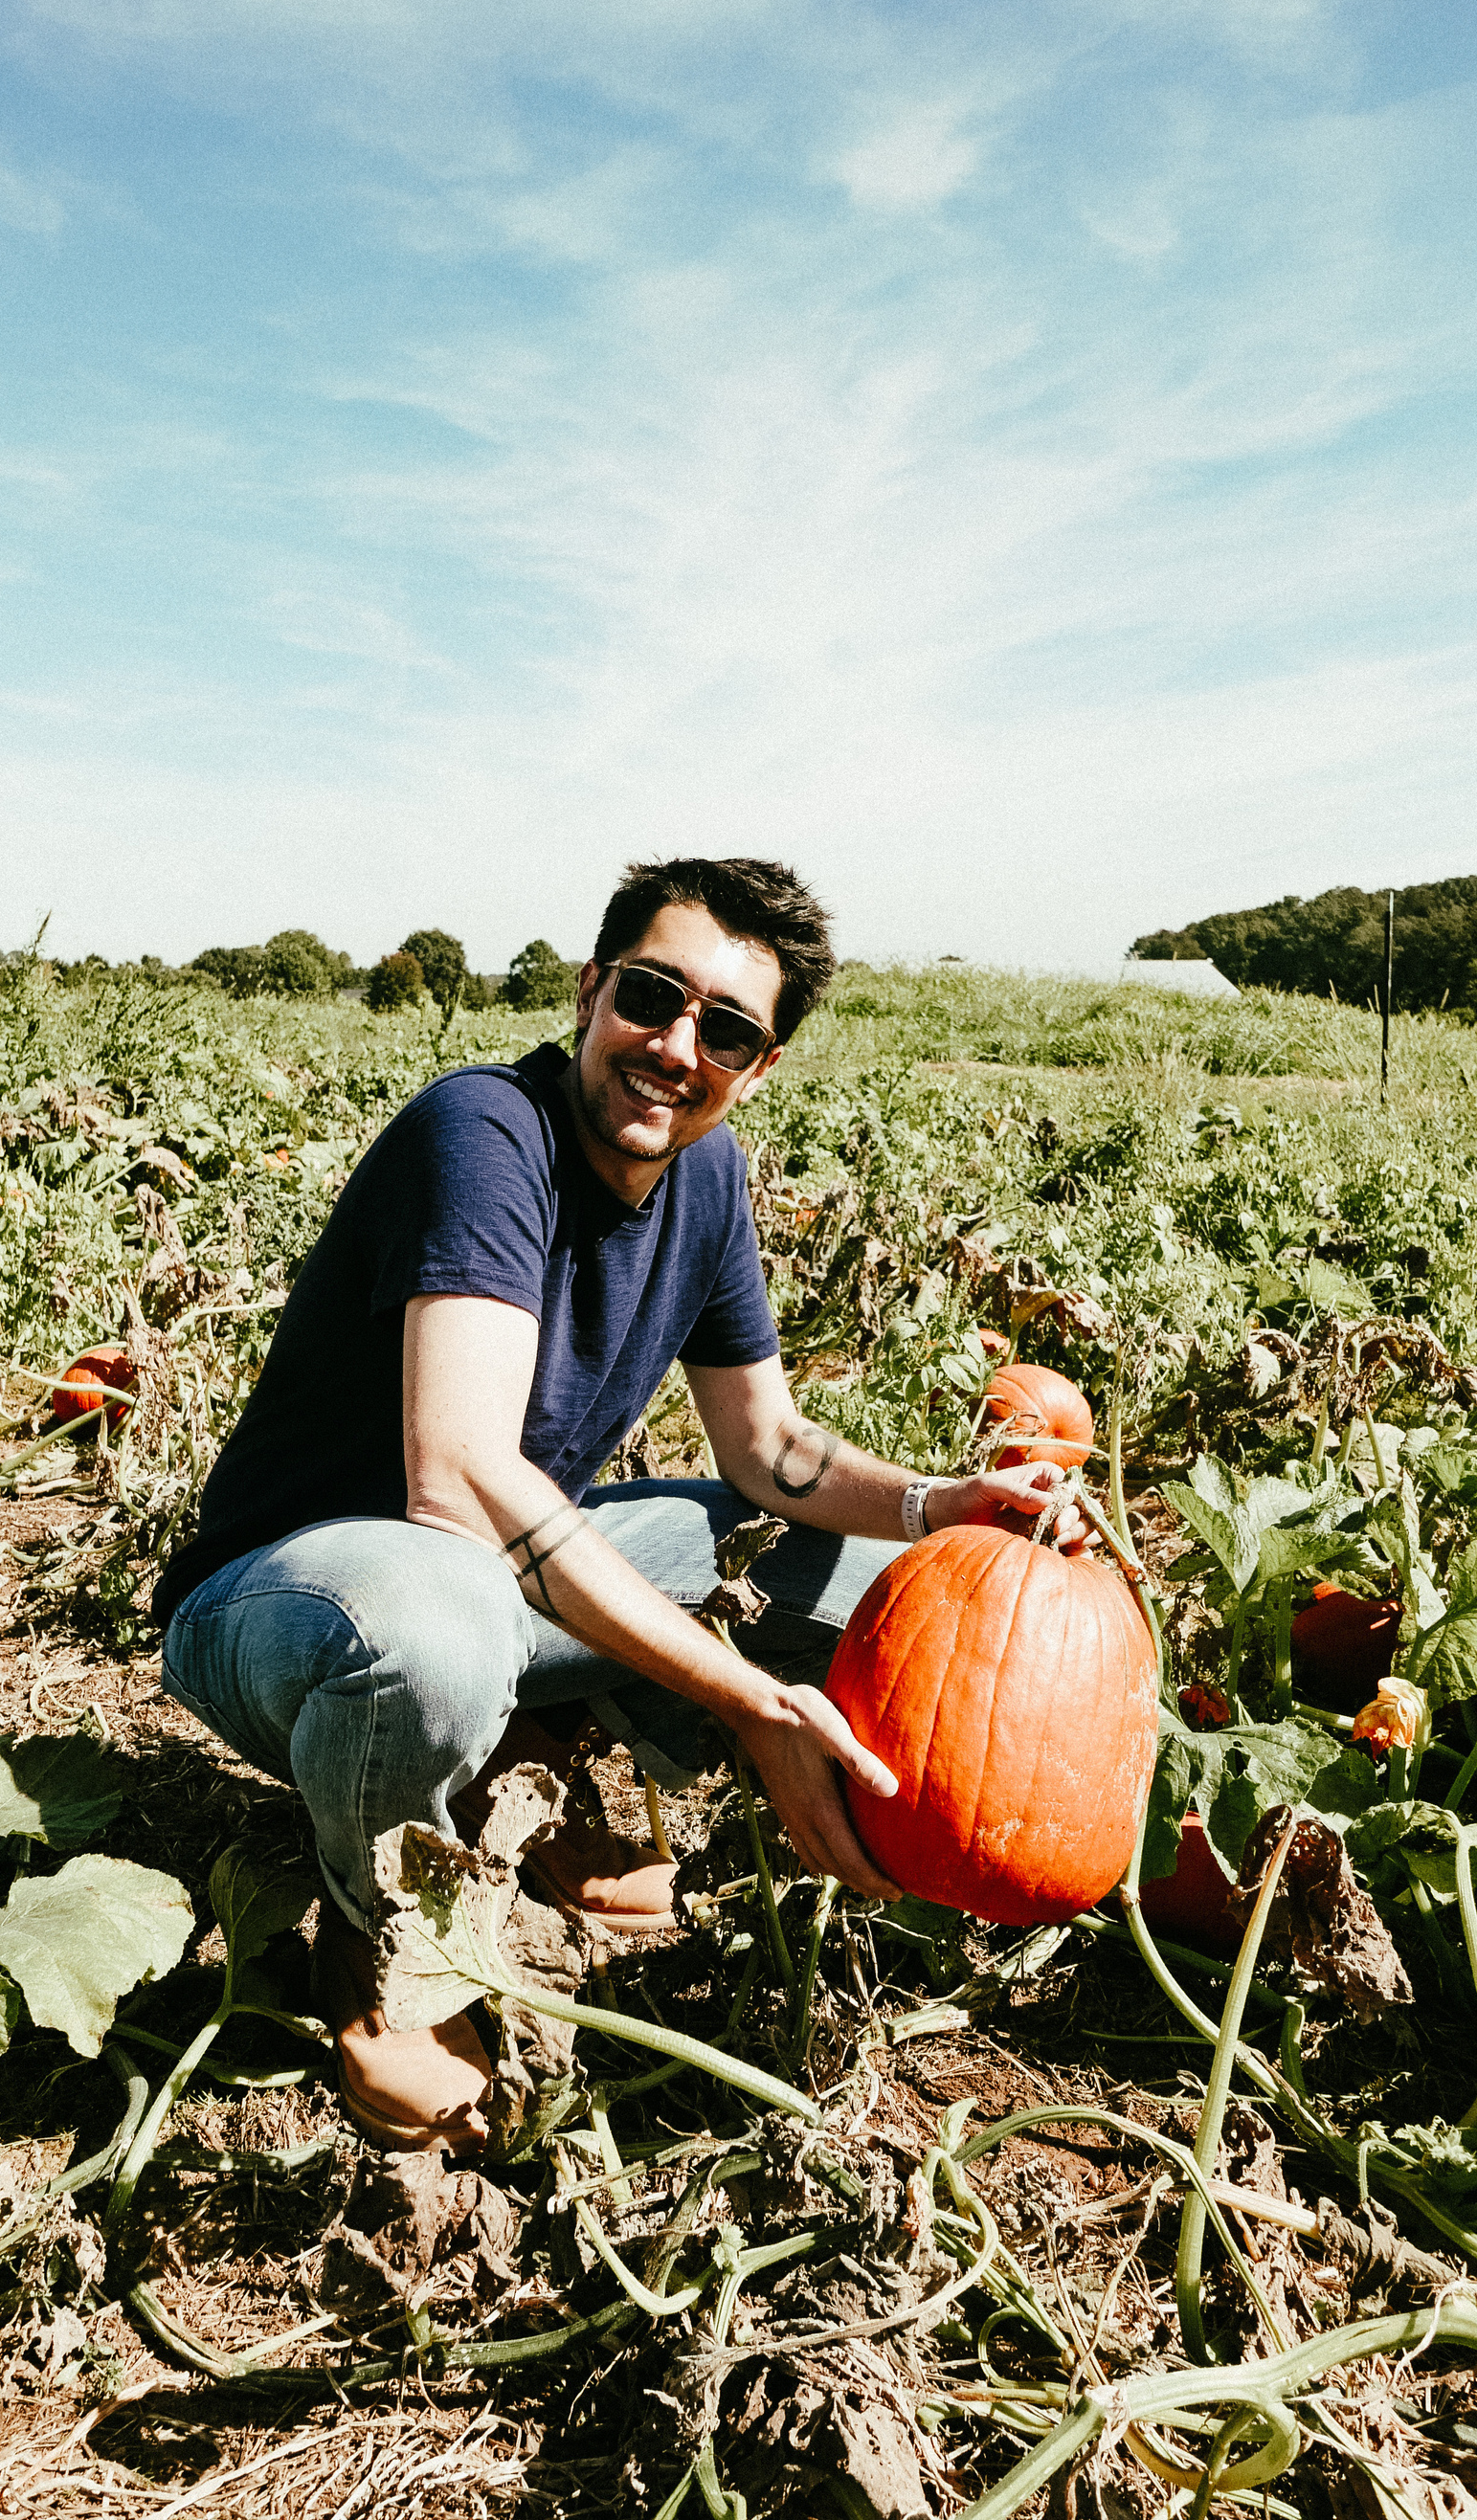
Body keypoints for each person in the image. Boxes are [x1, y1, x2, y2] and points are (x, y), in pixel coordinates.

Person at [153, 858, 1081, 2151]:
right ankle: (385, 1963)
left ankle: (513, 1785)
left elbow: (771, 1453)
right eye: (653, 996)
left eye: (729, 1030)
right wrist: (741, 1695)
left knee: (856, 1580)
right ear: (591, 993)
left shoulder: (705, 1181)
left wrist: (944, 1503)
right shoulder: (483, 1134)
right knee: (438, 1629)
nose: (676, 1046)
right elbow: (458, 1473)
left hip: (496, 1580)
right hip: (290, 1603)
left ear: (758, 1068)